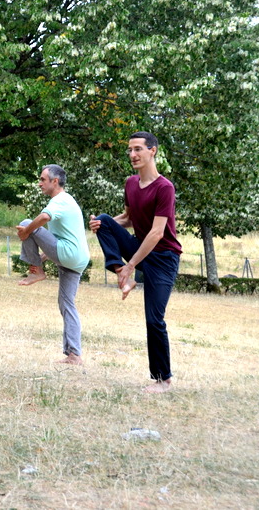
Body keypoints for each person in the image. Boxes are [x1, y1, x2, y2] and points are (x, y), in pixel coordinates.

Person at [89, 131, 182, 394]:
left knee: (154, 320)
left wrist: (132, 265)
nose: (132, 155)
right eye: (130, 150)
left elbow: (156, 233)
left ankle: (163, 380)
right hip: (139, 247)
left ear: (153, 151)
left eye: (138, 149)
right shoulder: (130, 183)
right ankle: (119, 270)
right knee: (105, 219)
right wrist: (102, 224)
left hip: (163, 258)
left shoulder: (165, 187)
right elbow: (128, 219)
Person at [16, 164, 90, 365]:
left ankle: (37, 272)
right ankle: (74, 355)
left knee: (25, 223)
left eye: (42, 179)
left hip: (68, 254)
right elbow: (61, 237)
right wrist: (42, 257)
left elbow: (43, 218)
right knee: (67, 303)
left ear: (54, 181)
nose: (39, 183)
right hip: (77, 259)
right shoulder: (68, 201)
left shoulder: (60, 200)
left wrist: (26, 232)